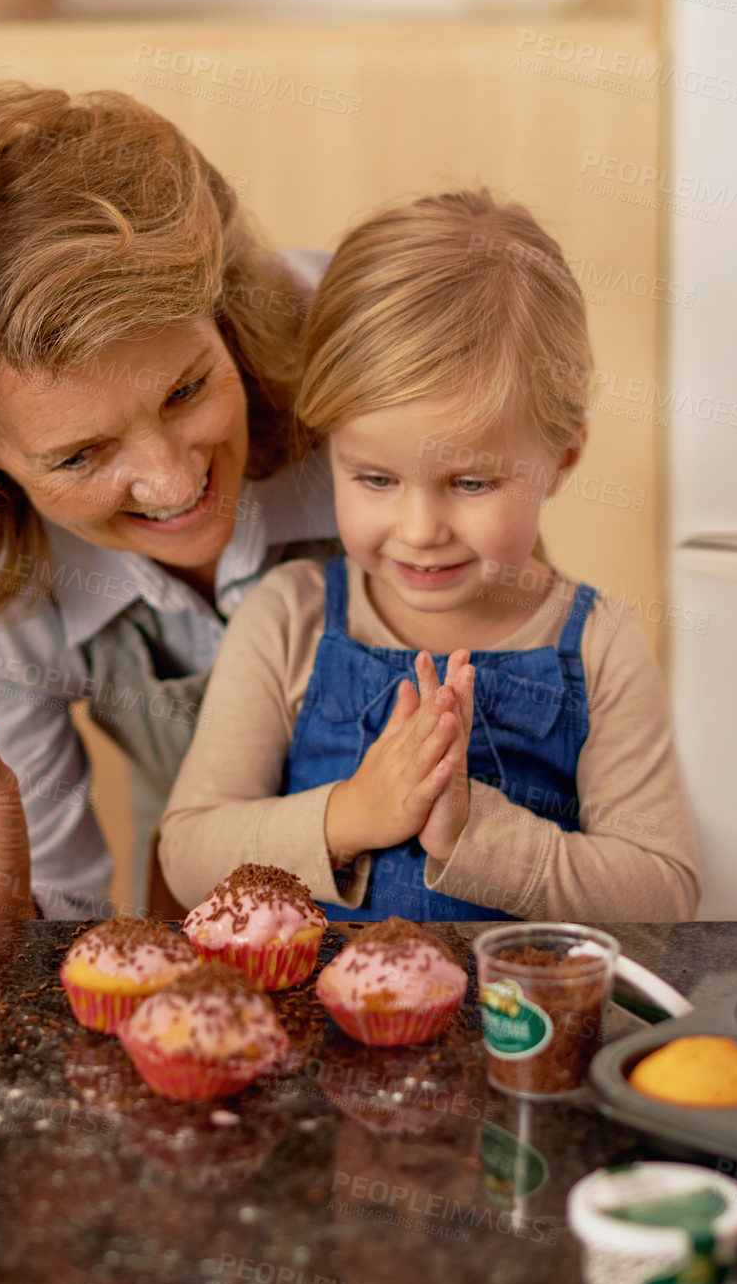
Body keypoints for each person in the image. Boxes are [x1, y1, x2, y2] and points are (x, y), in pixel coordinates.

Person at [0, 84, 340, 920]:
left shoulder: (370, 359)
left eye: (186, 391)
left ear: (220, 304)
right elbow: (56, 936)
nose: (174, 483)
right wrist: (4, 907)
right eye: (82, 455)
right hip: (211, 867)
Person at [158, 190, 701, 922]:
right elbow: (188, 854)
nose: (418, 529)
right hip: (305, 1029)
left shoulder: (598, 642)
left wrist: (473, 833)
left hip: (524, 1032)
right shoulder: (287, 617)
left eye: (470, 482)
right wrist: (350, 815)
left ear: (562, 454)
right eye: (374, 479)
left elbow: (661, 894)